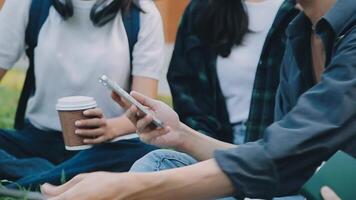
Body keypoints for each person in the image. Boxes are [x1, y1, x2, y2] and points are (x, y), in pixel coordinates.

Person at [42, 0, 356, 199]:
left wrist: (123, 188)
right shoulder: (299, 33)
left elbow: (277, 161)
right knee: (158, 161)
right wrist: (181, 135)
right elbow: (280, 158)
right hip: (300, 184)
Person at [0, 0, 163, 187]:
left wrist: (110, 129)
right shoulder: (26, 4)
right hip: (36, 140)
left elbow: (145, 109)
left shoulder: (142, 14)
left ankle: (34, 179)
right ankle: (62, 178)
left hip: (106, 148)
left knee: (145, 154)